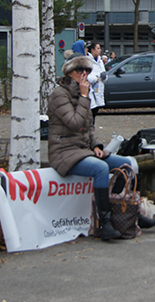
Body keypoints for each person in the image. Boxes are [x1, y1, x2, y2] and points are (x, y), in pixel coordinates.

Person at [48, 55, 135, 241]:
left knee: (128, 164)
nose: (84, 74)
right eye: (79, 71)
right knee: (100, 168)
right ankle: (105, 223)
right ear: (69, 73)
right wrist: (85, 96)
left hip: (83, 150)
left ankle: (127, 213)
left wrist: (96, 145)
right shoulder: (59, 95)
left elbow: (89, 126)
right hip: (64, 152)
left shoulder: (82, 94)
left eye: (87, 71)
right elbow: (75, 123)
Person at [86, 42, 108, 121]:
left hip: (98, 88)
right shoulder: (87, 60)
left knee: (96, 110)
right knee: (91, 111)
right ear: (92, 50)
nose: (100, 50)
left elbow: (104, 73)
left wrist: (104, 76)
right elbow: (87, 76)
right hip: (91, 89)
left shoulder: (100, 61)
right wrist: (96, 78)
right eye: (98, 48)